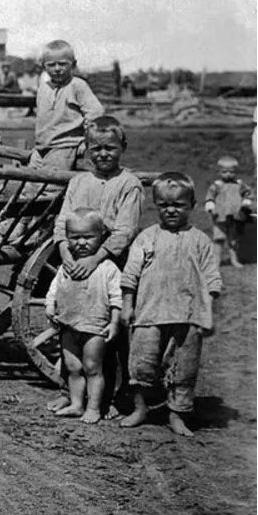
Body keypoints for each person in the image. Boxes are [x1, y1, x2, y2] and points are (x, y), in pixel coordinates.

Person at [44, 116, 144, 414]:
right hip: (75, 262)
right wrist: (63, 251)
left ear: (122, 147)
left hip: (112, 264)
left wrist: (95, 259)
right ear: (86, 149)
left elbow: (125, 231)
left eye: (110, 148)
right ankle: (71, 391)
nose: (102, 154)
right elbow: (62, 221)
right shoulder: (78, 182)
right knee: (72, 327)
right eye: (96, 148)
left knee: (111, 331)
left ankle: (114, 396)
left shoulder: (129, 184)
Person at [119, 173, 222, 436]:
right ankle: (141, 409)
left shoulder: (200, 240)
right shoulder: (147, 237)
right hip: (149, 314)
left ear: (192, 205)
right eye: (164, 205)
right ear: (156, 205)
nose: (171, 210)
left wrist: (207, 315)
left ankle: (177, 415)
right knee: (141, 365)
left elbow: (212, 281)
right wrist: (128, 305)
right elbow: (130, 275)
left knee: (184, 367)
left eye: (178, 204)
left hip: (188, 316)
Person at [45, 209, 122, 423]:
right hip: (69, 325)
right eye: (75, 237)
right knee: (73, 367)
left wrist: (114, 322)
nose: (81, 243)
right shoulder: (66, 267)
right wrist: (50, 306)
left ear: (101, 237)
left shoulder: (108, 268)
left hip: (94, 327)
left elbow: (117, 298)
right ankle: (77, 404)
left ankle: (94, 408)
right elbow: (54, 289)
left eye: (88, 237)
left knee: (92, 367)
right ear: (67, 238)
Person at [30, 40, 104, 170]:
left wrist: (87, 140)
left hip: (64, 146)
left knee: (50, 186)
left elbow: (96, 113)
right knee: (29, 183)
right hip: (41, 146)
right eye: (51, 65)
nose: (57, 69)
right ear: (44, 66)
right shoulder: (43, 88)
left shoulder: (77, 85)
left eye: (62, 64)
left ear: (73, 64)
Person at [203, 155, 254, 267]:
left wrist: (246, 202)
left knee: (233, 240)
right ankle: (216, 261)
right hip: (219, 216)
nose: (228, 174)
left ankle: (234, 260)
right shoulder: (217, 185)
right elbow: (210, 196)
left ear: (236, 172)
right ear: (219, 172)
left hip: (235, 216)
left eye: (231, 172)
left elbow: (248, 193)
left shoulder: (239, 184)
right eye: (224, 172)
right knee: (218, 239)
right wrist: (210, 205)